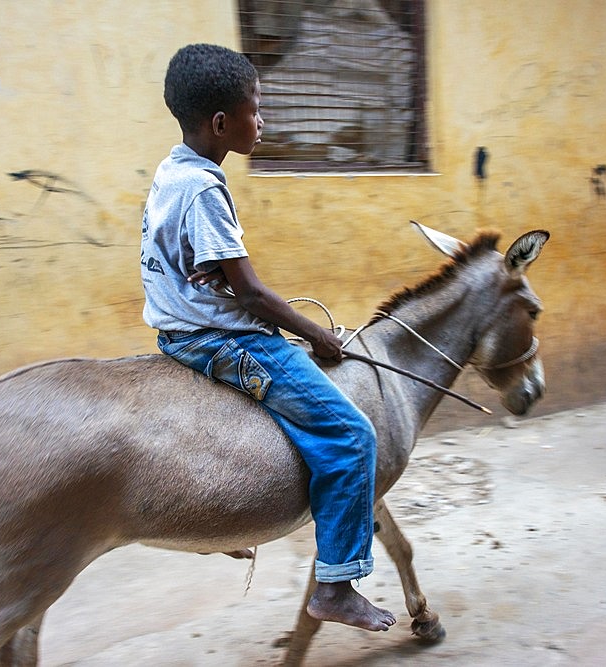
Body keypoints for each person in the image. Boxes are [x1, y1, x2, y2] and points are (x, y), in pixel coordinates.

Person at [140, 43, 395, 632]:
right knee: (352, 433)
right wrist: (319, 337)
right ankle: (336, 586)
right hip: (220, 341)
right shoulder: (205, 189)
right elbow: (252, 296)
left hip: (177, 329)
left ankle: (338, 516)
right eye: (257, 109)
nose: (264, 121)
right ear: (222, 123)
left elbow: (207, 270)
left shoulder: (173, 170)